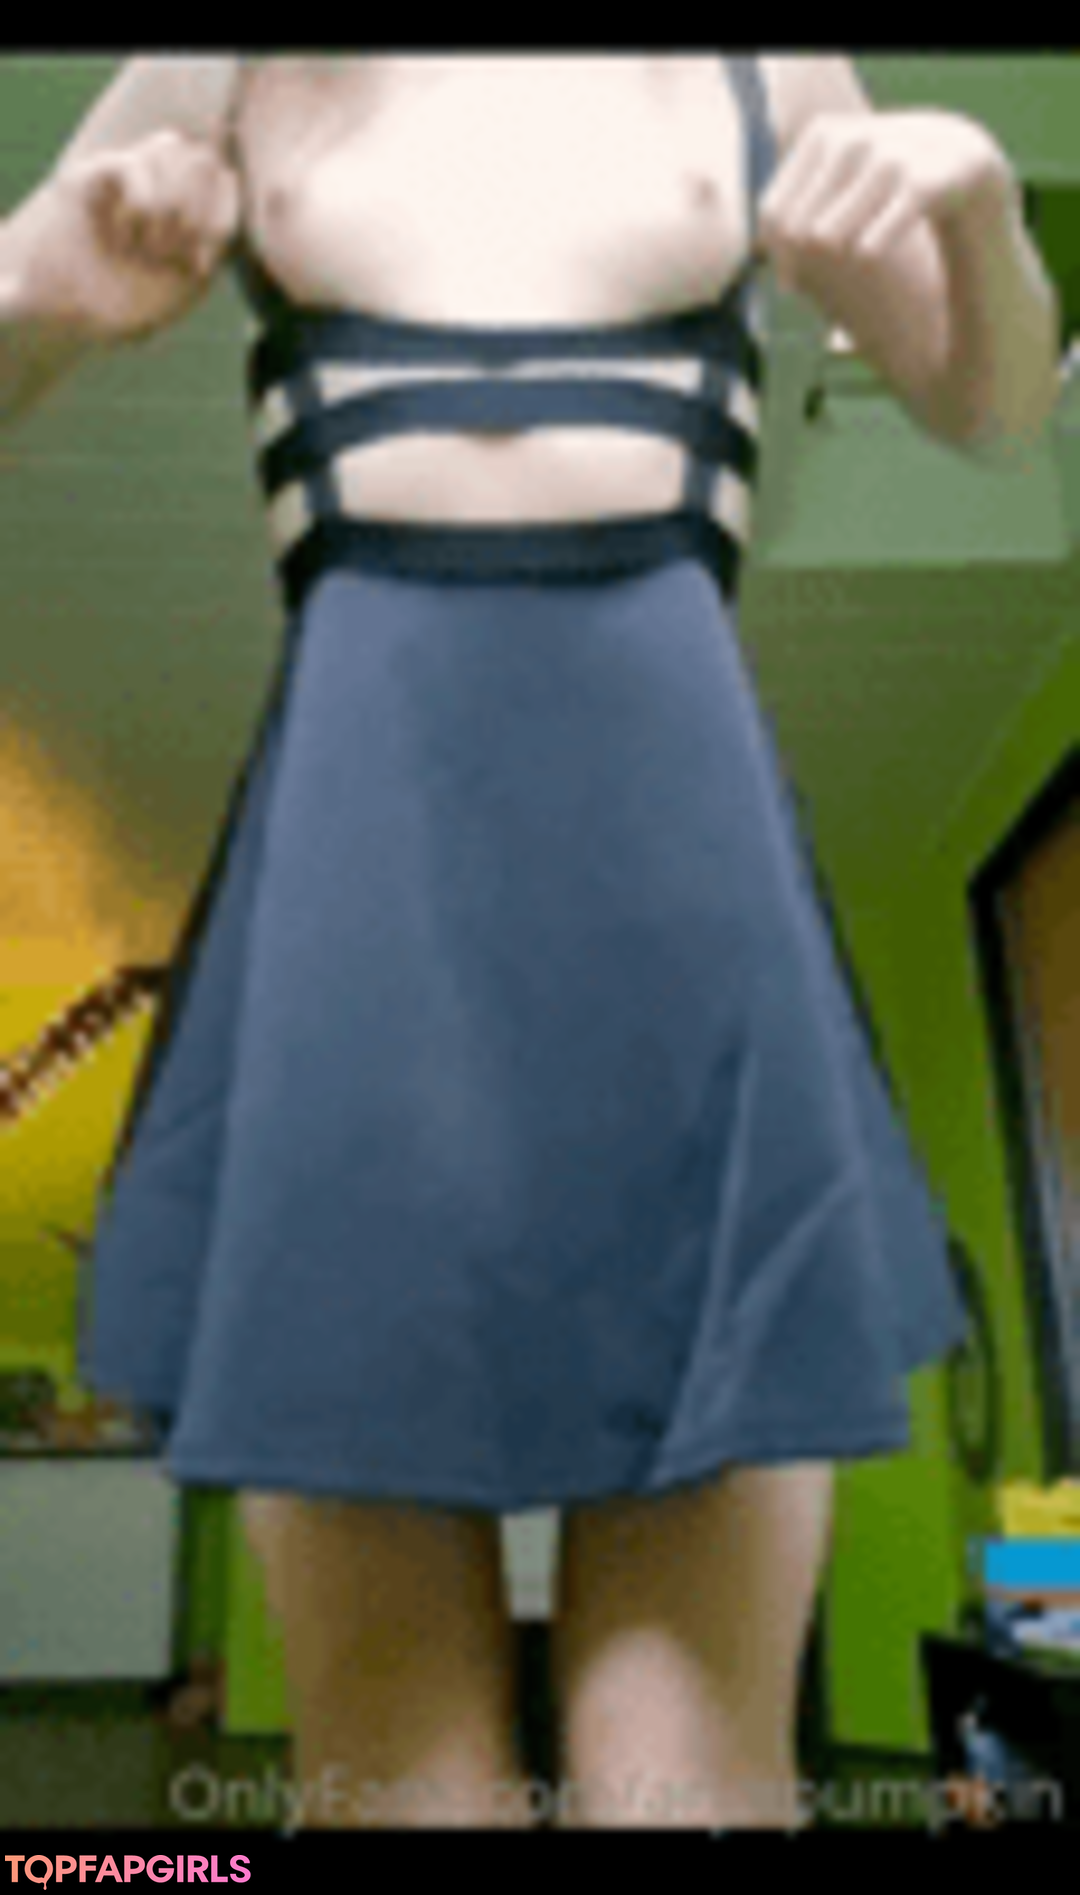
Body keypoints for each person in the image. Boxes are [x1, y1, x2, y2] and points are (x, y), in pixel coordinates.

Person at [0, 54, 1059, 1832]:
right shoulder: (228, 63)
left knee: (689, 1782)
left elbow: (998, 409)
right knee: (396, 1784)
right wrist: (39, 285)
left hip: (686, 919)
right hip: (361, 925)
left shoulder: (764, 63)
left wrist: (975, 202)